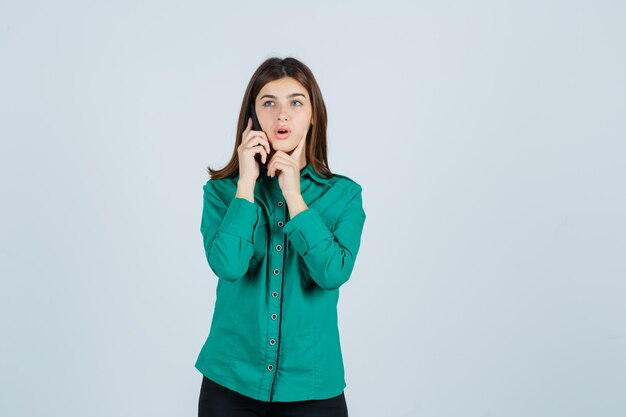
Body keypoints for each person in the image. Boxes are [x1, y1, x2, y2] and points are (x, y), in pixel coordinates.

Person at [195, 56, 366, 417]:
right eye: (269, 103)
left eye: (296, 102)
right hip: (230, 385)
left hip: (313, 390)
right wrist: (245, 183)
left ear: (313, 114)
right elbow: (227, 264)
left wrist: (294, 197)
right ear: (252, 117)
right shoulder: (223, 192)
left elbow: (333, 272)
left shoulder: (345, 195)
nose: (282, 115)